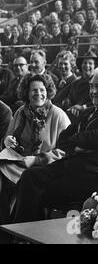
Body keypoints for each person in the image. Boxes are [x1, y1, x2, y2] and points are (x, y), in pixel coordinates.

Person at [13, 68, 98, 223]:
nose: (93, 91)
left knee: (32, 187)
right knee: (27, 178)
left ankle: (22, 234)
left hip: (93, 175)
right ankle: (24, 234)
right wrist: (79, 144)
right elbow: (63, 139)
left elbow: (88, 138)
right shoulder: (89, 112)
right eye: (91, 86)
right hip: (72, 168)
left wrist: (77, 142)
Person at [0, 73, 70, 223]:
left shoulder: (59, 115)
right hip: (20, 161)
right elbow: (9, 138)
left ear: (48, 91)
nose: (38, 94)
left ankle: (16, 224)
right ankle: (4, 220)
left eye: (42, 90)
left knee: (26, 179)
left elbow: (65, 151)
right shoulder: (20, 112)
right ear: (27, 92)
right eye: (34, 90)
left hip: (46, 167)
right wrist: (7, 141)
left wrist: (36, 160)